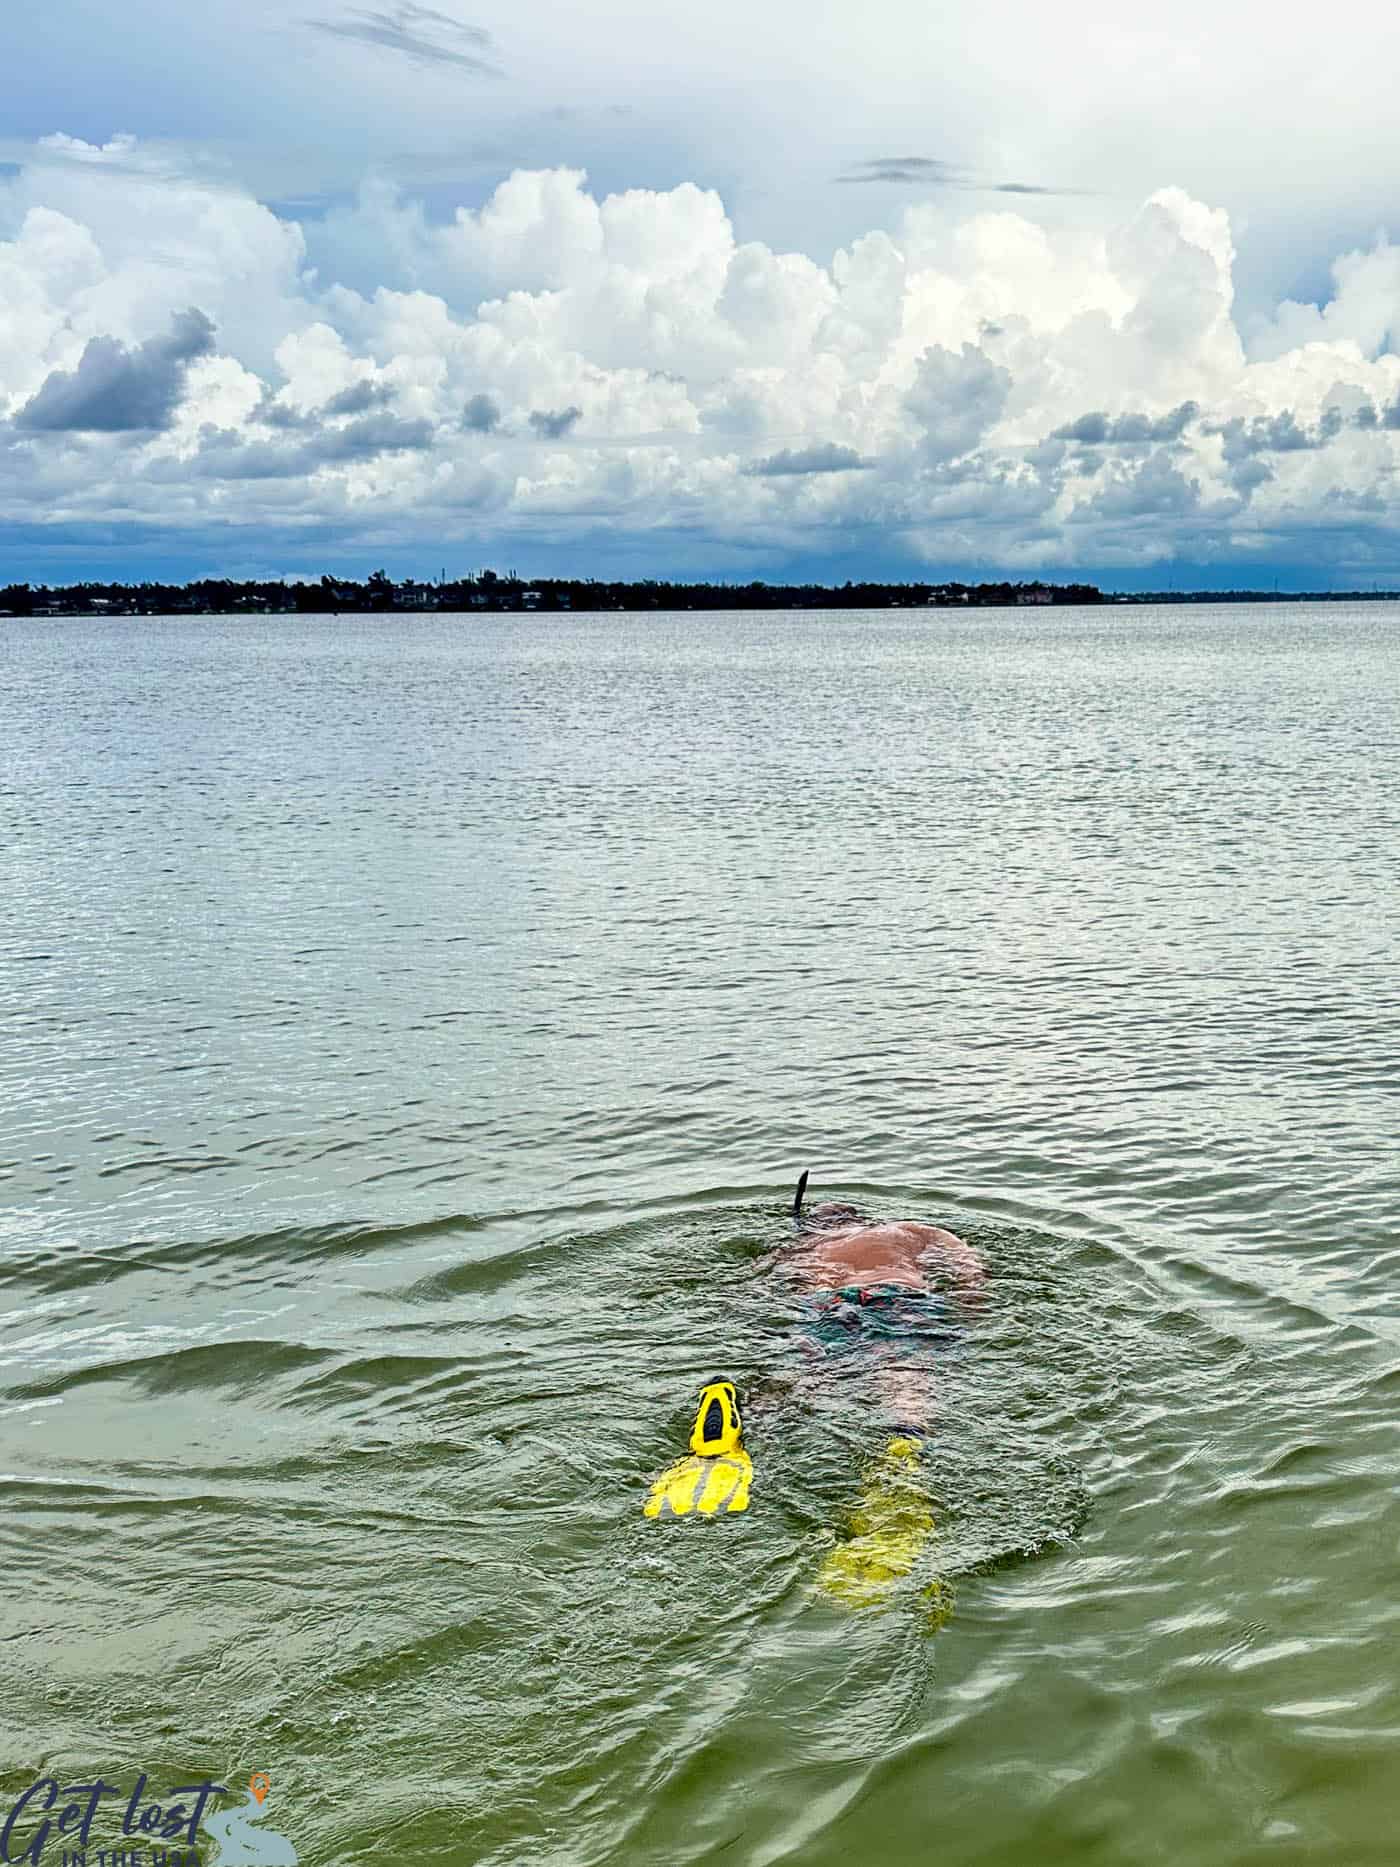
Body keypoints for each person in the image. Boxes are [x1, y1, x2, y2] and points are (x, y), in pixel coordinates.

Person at [777, 1170, 985, 1430]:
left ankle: (775, 1408)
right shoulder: (908, 1230)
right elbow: (967, 1262)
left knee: (818, 1365)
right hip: (898, 1294)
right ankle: (908, 1426)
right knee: (903, 1366)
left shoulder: (806, 1248)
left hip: (835, 1302)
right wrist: (969, 1298)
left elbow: (784, 1288)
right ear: (861, 1219)